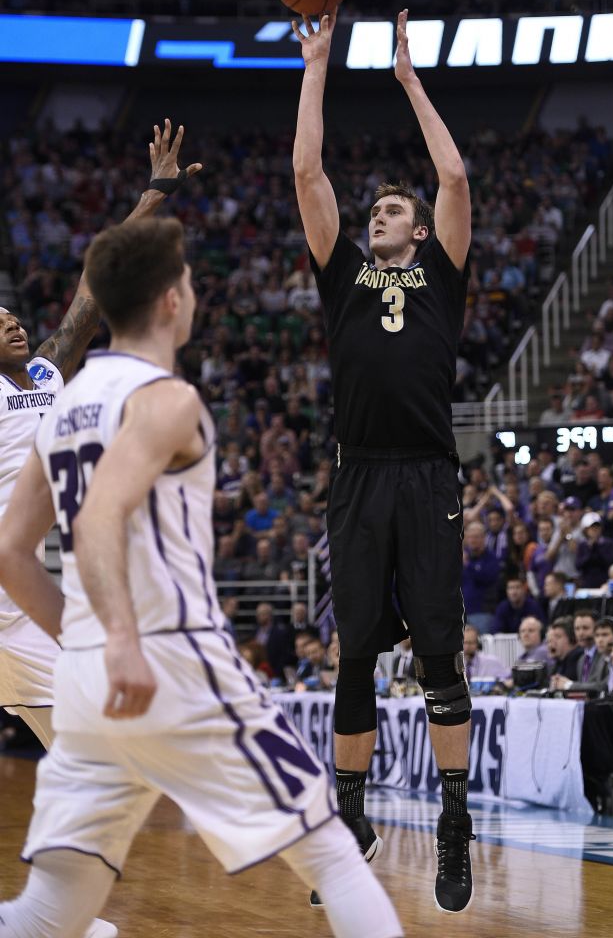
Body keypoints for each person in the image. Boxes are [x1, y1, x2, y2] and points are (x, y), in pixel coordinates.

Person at [0, 217, 402, 938]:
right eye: (186, 281)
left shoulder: (61, 406)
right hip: (173, 657)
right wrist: (123, 640)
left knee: (49, 913)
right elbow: (100, 517)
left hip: (86, 679)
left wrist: (86, 641)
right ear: (170, 301)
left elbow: (10, 553)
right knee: (336, 856)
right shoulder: (166, 398)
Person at [0, 121, 202, 938]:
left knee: (93, 756)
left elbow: (94, 289)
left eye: (13, 315)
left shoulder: (48, 368)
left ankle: (57, 915)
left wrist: (155, 192)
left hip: (20, 602)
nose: (13, 323)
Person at [292, 7, 474, 912]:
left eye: (393, 209)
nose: (379, 213)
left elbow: (453, 174)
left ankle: (453, 823)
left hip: (427, 471)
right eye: (376, 209)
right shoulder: (342, 272)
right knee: (355, 653)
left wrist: (408, 81)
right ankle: (353, 818)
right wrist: (316, 65)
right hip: (358, 472)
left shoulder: (441, 271)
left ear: (420, 231)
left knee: (438, 653)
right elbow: (306, 171)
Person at [547, 617, 582, 684]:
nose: (552, 642)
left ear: (573, 638)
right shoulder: (559, 662)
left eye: (558, 637)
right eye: (549, 639)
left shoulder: (577, 659)